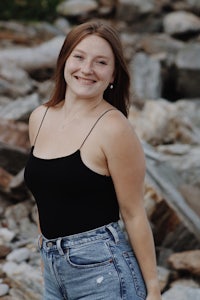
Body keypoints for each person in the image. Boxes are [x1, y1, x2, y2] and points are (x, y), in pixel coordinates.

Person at [24, 21, 161, 300]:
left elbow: (134, 213)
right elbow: (45, 194)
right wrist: (45, 257)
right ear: (64, 61)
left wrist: (154, 289)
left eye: (100, 62)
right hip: (53, 268)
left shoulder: (114, 128)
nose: (86, 70)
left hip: (105, 271)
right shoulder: (40, 117)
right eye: (79, 57)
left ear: (113, 75)